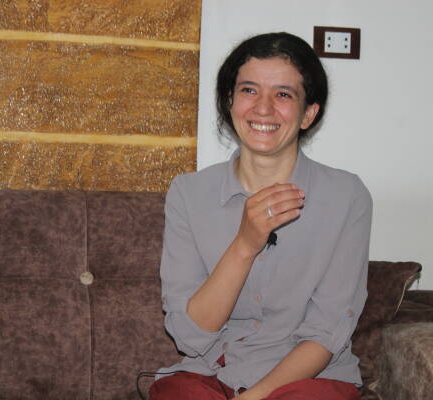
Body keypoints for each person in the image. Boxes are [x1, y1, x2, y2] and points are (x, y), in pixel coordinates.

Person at [150, 32, 372, 400]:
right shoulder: (188, 194)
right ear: (230, 102)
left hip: (308, 379)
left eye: (283, 94)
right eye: (249, 90)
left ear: (308, 113)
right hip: (212, 371)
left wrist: (252, 398)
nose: (263, 108)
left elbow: (327, 330)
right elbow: (190, 335)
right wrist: (244, 244)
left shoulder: (346, 196)